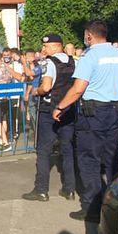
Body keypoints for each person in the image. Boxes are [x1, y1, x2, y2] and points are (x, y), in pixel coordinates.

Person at [53, 20, 118, 222]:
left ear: (89, 36)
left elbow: (78, 88)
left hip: (92, 114)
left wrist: (60, 107)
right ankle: (115, 206)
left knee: (89, 161)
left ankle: (92, 208)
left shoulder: (90, 56)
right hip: (114, 111)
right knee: (112, 159)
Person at [23, 34, 77, 202]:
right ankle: (69, 189)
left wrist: (36, 91)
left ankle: (41, 190)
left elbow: (46, 87)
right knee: (67, 150)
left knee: (43, 151)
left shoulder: (48, 63)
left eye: (45, 47)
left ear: (54, 46)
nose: (43, 50)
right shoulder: (75, 61)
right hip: (68, 109)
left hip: (49, 110)